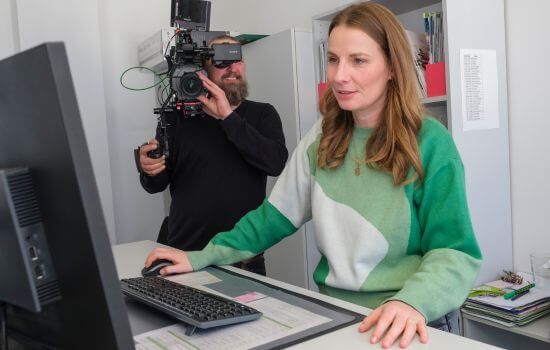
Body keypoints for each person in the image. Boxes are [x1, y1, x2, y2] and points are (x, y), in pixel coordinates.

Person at [144, 3, 482, 348]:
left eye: (358, 60)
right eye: (333, 59)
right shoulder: (324, 136)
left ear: (392, 67)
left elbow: (454, 251)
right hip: (339, 315)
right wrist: (200, 256)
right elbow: (271, 219)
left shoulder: (430, 141)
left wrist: (412, 302)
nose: (338, 76)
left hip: (411, 318)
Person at [138, 35, 288, 276]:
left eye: (236, 59)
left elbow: (275, 163)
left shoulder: (263, 114)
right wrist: (148, 169)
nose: (231, 68)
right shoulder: (176, 119)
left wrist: (227, 117)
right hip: (184, 257)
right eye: (220, 61)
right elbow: (156, 184)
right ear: (204, 70)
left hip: (244, 260)